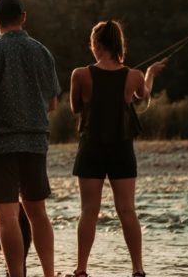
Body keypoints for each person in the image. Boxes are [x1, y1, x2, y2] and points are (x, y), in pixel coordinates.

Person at [0, 0, 62, 277]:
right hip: (34, 144)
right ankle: (49, 275)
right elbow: (53, 103)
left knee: (6, 219)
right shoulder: (42, 52)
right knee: (38, 214)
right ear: (24, 17)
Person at [66, 20, 166, 277]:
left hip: (91, 148)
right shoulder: (133, 76)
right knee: (127, 210)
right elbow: (143, 96)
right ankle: (138, 269)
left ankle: (81, 270)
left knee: (89, 211)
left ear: (97, 45)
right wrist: (150, 74)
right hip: (122, 149)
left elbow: (75, 108)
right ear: (118, 44)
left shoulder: (80, 74)